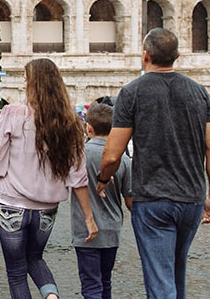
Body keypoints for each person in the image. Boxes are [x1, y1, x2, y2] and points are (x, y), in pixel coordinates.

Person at [97, 28, 210, 299]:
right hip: (191, 198)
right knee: (176, 273)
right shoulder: (201, 93)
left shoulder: (132, 93)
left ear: (145, 56)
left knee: (159, 278)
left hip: (152, 198)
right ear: (177, 56)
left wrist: (103, 179)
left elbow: (111, 155)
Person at [0, 58, 98, 299]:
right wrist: (89, 217)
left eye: (24, 79)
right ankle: (52, 297)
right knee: (35, 258)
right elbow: (78, 176)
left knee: (16, 272)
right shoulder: (72, 123)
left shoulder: (13, 113)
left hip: (11, 204)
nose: (22, 84)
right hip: (46, 209)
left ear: (33, 83)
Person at [71, 103, 132, 299]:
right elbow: (130, 200)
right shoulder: (123, 159)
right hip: (112, 230)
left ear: (88, 128)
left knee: (91, 286)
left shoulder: (79, 155)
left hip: (85, 232)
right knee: (106, 282)